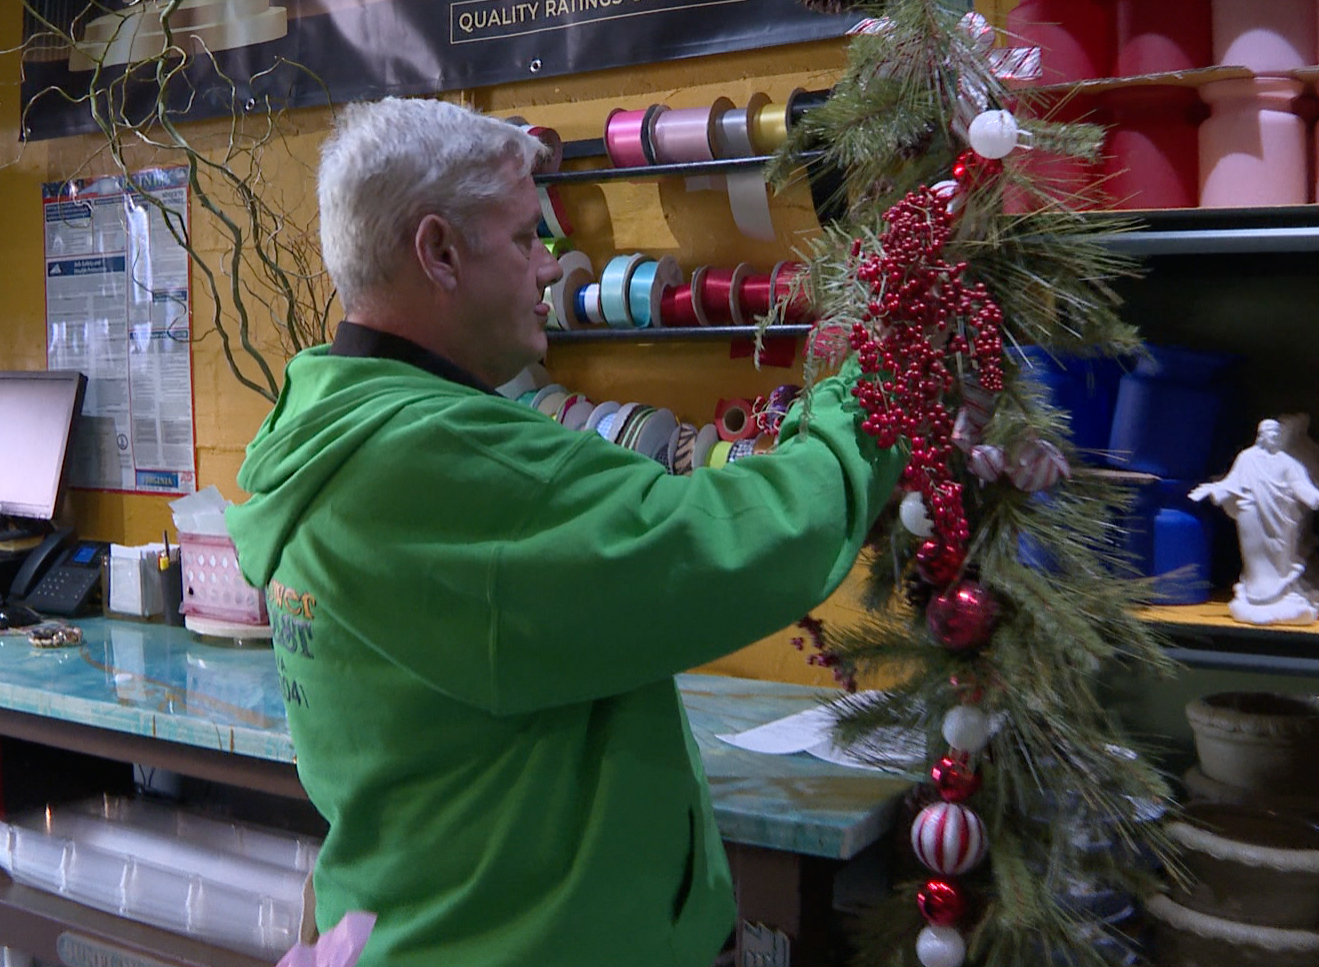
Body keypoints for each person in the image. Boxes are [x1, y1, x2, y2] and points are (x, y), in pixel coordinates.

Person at [225, 97, 901, 967]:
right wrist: (870, 387)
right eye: (521, 239)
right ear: (438, 252)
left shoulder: (321, 427)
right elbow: (740, 539)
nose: (549, 270)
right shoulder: (437, 461)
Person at [1191, 418, 1319, 624]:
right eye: (1270, 432)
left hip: (1279, 519)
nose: (1274, 436)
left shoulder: (1287, 462)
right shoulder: (1247, 458)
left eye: (1276, 433)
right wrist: (1213, 489)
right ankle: (1254, 592)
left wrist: (1317, 498)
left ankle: (1280, 594)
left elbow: (1300, 485)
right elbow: (1232, 483)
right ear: (1261, 435)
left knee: (1280, 554)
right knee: (1254, 553)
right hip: (1251, 514)